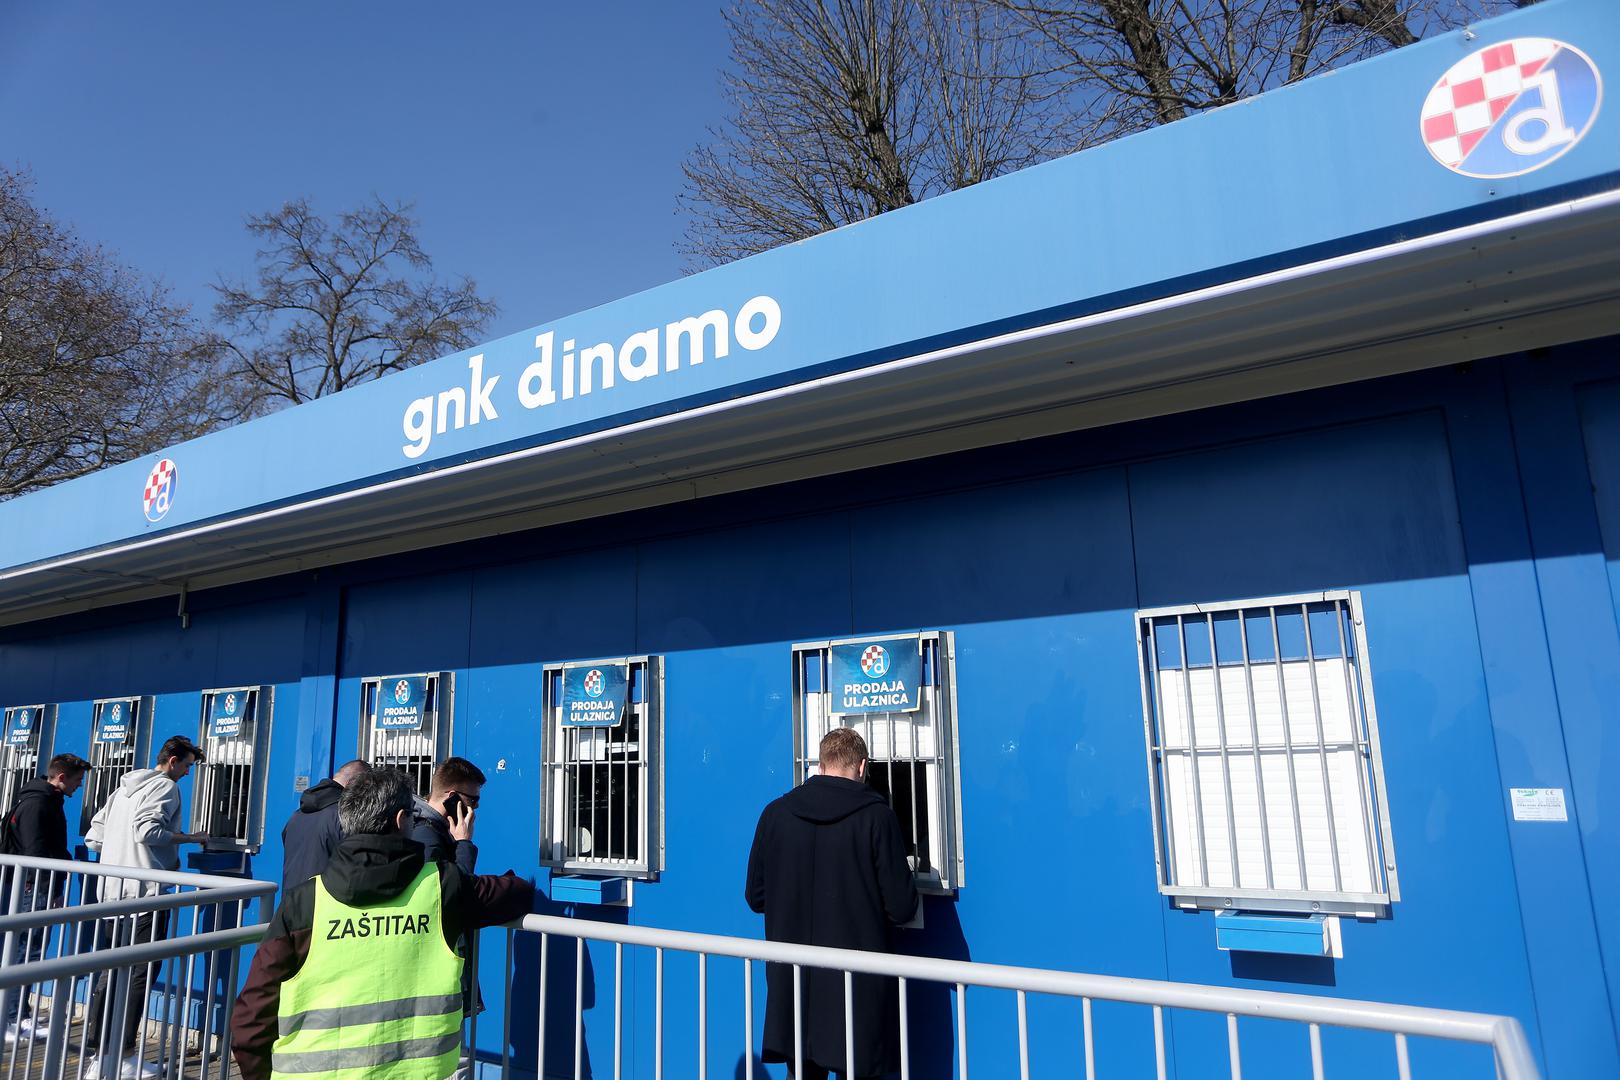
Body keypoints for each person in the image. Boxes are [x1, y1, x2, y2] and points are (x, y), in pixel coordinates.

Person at [231, 767, 533, 1080]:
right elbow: (516, 893)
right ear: (402, 820)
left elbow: (251, 1018)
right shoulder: (441, 886)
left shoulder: (303, 901)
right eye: (413, 817)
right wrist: (465, 846)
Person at [746, 728, 919, 1080]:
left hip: (794, 983)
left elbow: (755, 896)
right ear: (863, 766)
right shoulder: (877, 818)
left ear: (820, 765)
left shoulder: (775, 814)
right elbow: (902, 907)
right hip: (856, 989)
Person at [82, 735, 206, 1080]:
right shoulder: (166, 786)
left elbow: (94, 837)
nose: (187, 773)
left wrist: (120, 851)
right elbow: (148, 831)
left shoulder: (122, 789)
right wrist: (190, 838)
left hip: (111, 893)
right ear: (173, 761)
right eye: (187, 766)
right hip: (146, 894)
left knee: (110, 971)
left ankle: (100, 1056)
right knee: (140, 973)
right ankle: (122, 1056)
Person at [0, 752, 90, 1044]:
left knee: (27, 950)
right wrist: (49, 889)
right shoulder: (39, 804)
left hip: (33, 886)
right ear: (61, 777)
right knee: (28, 951)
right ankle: (13, 1018)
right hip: (34, 887)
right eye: (77, 780)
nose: (79, 785)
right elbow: (35, 851)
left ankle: (16, 1012)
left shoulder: (43, 799)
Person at [280, 758, 371, 887]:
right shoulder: (345, 817)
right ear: (354, 783)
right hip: (323, 898)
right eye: (367, 788)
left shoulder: (296, 816)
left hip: (292, 896)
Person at [409, 757, 484, 874]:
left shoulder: (438, 828)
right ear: (452, 797)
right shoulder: (425, 836)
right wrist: (463, 842)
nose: (477, 806)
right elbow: (453, 884)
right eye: (473, 800)